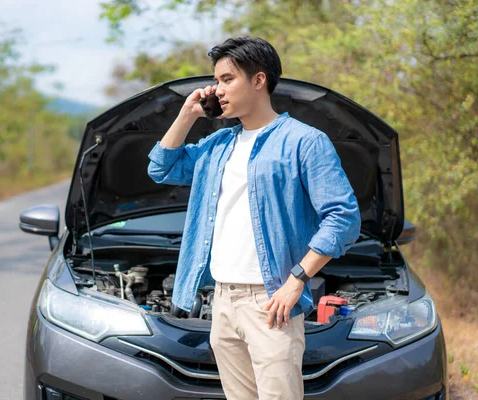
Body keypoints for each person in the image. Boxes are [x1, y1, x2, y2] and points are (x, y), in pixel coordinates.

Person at [147, 37, 361, 400]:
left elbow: (343, 218)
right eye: (216, 81)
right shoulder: (216, 147)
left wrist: (297, 281)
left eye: (227, 79)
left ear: (259, 80)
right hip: (223, 300)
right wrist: (188, 114)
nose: (218, 89)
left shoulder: (304, 142)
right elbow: (160, 168)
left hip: (271, 302)